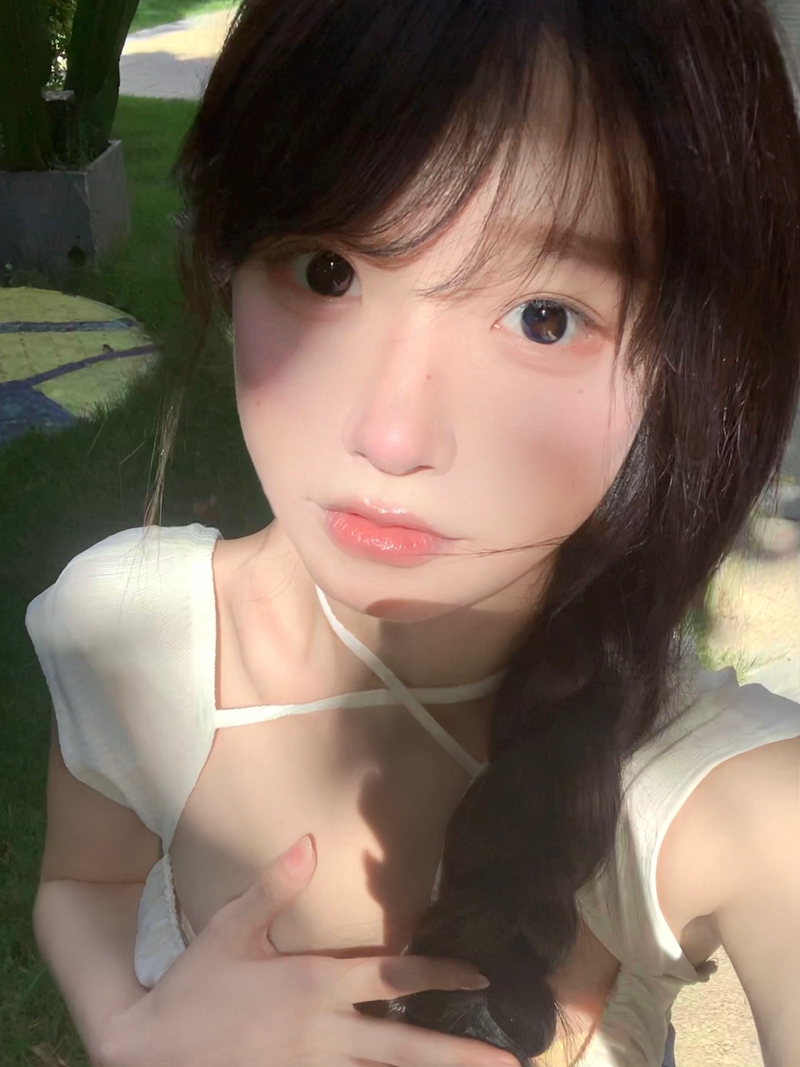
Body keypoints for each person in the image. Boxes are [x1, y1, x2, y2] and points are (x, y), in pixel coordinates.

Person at [26, 1, 800, 1065]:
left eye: (543, 317)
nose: (390, 436)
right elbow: (85, 879)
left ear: (691, 361)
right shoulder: (128, 632)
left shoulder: (709, 795)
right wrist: (130, 1032)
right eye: (327, 270)